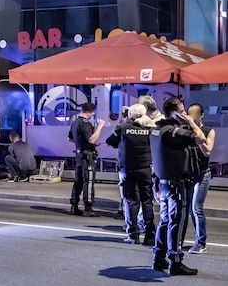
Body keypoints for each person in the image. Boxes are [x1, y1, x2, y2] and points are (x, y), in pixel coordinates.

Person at [149, 98, 207, 276]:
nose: (186, 114)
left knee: (166, 220)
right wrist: (191, 122)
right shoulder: (174, 131)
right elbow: (200, 138)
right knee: (177, 221)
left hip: (164, 182)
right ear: (175, 112)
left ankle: (159, 258)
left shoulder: (157, 129)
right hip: (176, 183)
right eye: (183, 111)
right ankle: (175, 260)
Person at [105, 104, 155, 245]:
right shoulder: (150, 129)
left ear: (130, 114)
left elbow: (110, 142)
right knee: (147, 201)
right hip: (146, 169)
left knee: (131, 201)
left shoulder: (123, 128)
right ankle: (150, 234)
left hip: (128, 169)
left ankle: (133, 234)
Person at [186, 103, 215, 254]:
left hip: (203, 174)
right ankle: (185, 240)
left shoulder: (208, 131)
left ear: (201, 115)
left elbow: (207, 151)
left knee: (197, 208)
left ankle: (201, 242)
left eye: (195, 114)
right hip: (188, 174)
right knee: (190, 209)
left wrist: (195, 128)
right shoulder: (185, 131)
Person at [68, 102, 105, 217]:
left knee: (78, 181)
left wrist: (80, 144)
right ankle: (88, 208)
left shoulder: (75, 123)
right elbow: (91, 139)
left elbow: (70, 139)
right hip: (87, 157)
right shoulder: (86, 124)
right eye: (93, 112)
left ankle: (74, 205)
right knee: (88, 182)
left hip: (79, 155)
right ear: (90, 112)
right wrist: (100, 126)